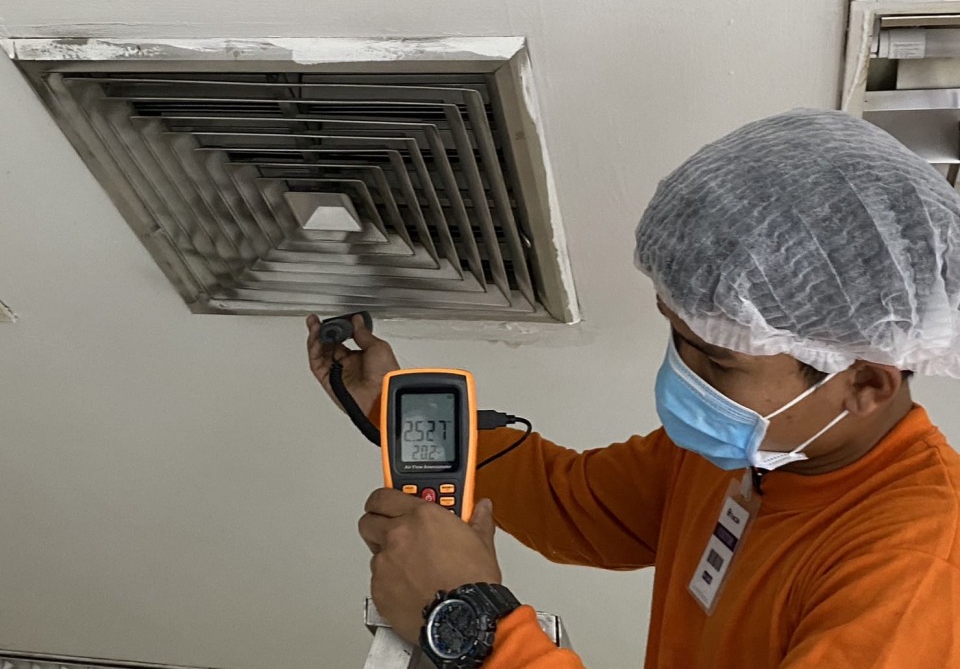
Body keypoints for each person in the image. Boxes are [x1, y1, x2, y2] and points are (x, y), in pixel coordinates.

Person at [306, 109, 960, 668]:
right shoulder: (754, 454)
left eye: (715, 360)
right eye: (675, 335)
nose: (682, 375)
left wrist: (471, 623)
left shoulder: (913, 576)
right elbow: (575, 505)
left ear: (865, 382)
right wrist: (396, 412)